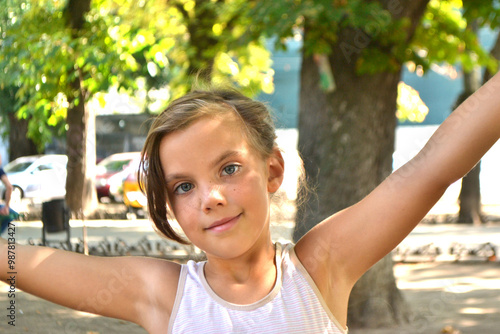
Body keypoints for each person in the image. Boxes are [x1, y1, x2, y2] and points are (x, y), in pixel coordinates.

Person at [1, 71, 499, 334]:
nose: (211, 198)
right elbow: (19, 261)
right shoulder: (160, 293)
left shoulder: (321, 266)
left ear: (273, 172)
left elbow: (431, 167)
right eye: (183, 186)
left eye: (229, 169)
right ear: (171, 206)